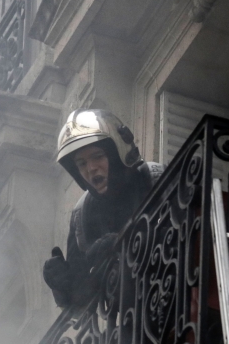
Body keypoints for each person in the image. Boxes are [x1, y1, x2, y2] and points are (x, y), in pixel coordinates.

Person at [42, 109, 164, 308]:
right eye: (81, 164)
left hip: (183, 303)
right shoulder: (82, 215)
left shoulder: (155, 177)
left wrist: (122, 244)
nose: (90, 169)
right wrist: (62, 284)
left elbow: (194, 234)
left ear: (118, 152)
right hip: (134, 328)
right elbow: (80, 305)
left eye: (97, 156)